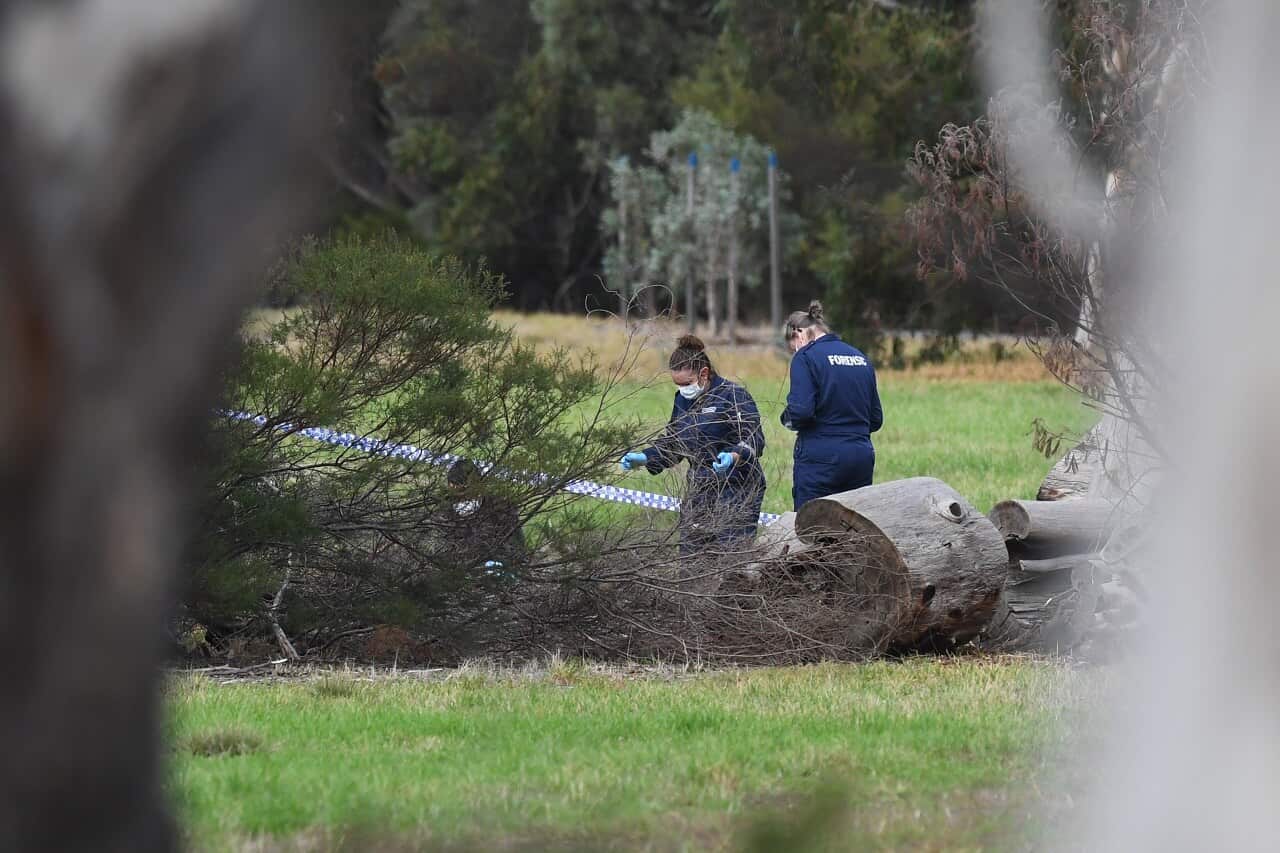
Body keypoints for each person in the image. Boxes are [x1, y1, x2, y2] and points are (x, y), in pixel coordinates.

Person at [619, 335, 766, 555]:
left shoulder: (733, 395)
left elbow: (754, 439)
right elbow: (675, 442)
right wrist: (646, 457)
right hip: (700, 489)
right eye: (677, 385)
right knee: (691, 557)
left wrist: (733, 456)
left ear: (704, 374)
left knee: (730, 558)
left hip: (738, 488)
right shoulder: (682, 400)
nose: (682, 390)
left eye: (686, 384)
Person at [781, 300, 883, 511]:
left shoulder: (805, 358)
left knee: (812, 531)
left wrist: (787, 418)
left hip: (820, 458)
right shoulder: (860, 357)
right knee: (854, 528)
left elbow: (801, 412)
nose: (795, 352)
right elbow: (875, 419)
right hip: (860, 457)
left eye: (793, 348)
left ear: (798, 334)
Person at [434, 458, 527, 579]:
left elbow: (517, 546)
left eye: (464, 489)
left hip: (496, 569)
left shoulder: (500, 507)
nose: (461, 495)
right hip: (459, 572)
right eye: (455, 489)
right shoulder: (444, 512)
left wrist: (500, 564)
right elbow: (439, 549)